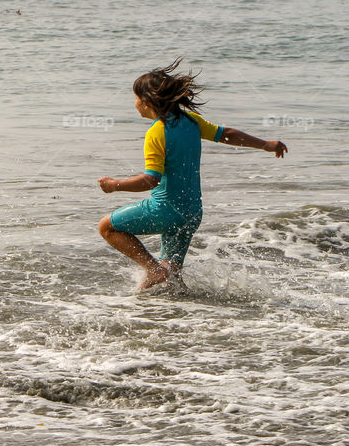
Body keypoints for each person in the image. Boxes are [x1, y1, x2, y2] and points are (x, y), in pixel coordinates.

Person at [97, 60, 287, 289]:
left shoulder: (156, 132)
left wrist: (114, 185)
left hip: (165, 210)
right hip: (191, 212)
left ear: (147, 102)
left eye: (136, 98)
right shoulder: (190, 121)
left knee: (107, 227)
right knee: (170, 279)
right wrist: (265, 144)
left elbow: (151, 179)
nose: (135, 103)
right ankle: (174, 311)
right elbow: (227, 134)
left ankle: (152, 269)